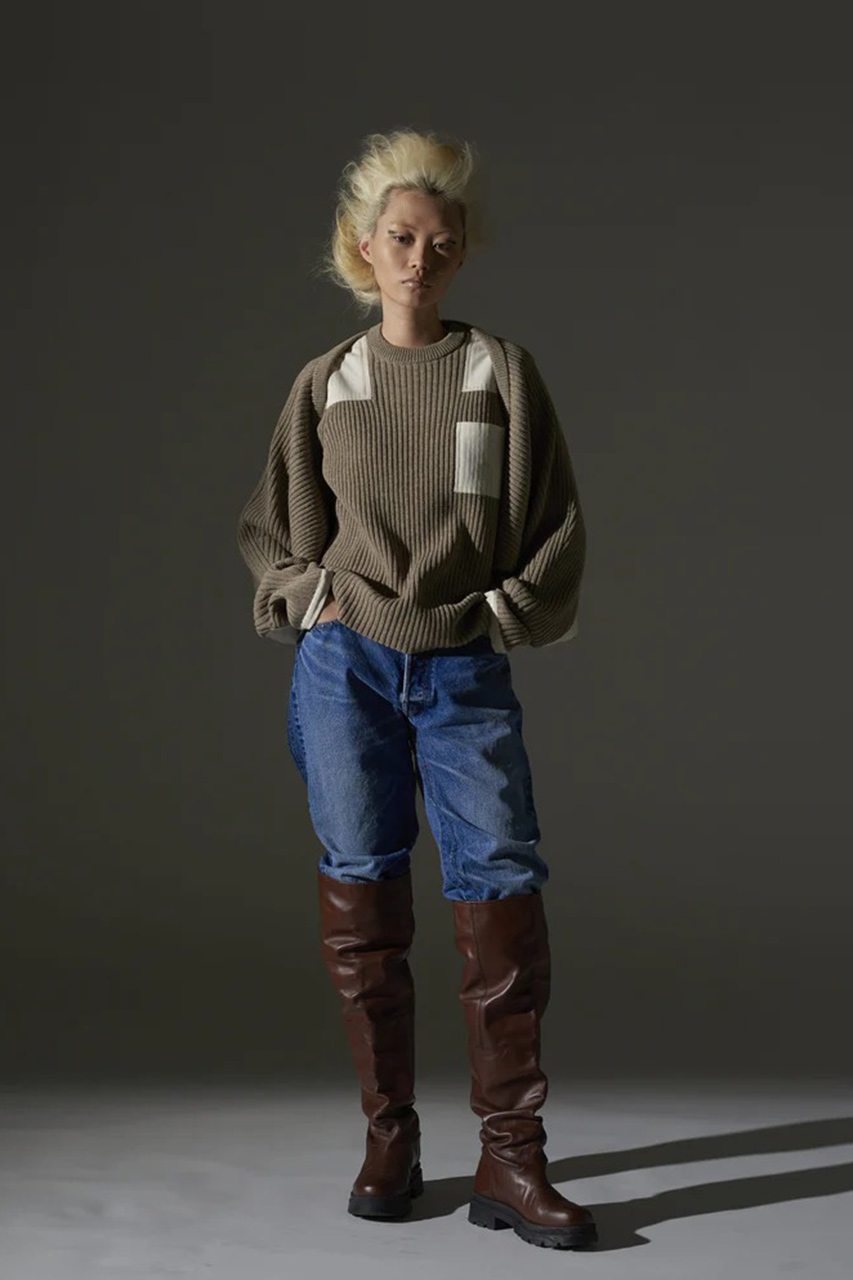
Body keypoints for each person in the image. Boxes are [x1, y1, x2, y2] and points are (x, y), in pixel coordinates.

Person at [236, 128, 596, 1251]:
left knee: (500, 882)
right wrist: (309, 598)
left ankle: (511, 1158)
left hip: (460, 667)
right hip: (344, 667)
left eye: (440, 242)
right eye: (399, 237)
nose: (419, 259)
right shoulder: (328, 383)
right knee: (361, 887)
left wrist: (497, 613)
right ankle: (389, 1139)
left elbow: (556, 526)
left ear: (461, 251)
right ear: (362, 246)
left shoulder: (500, 374)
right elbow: (272, 531)